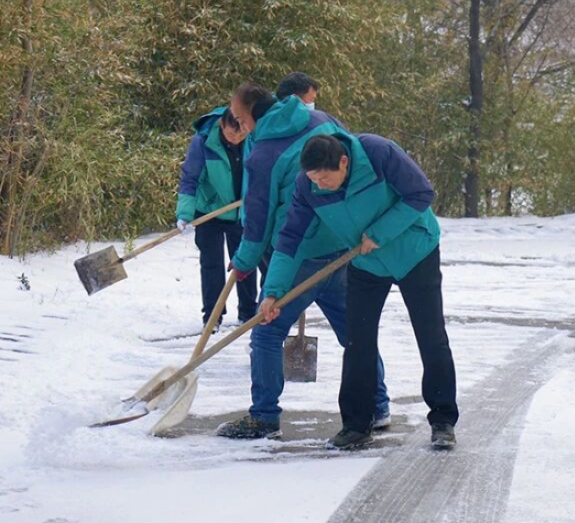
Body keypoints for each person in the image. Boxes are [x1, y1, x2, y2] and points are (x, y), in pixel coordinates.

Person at [262, 133, 458, 451]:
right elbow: (290, 238)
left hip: (415, 251)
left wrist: (379, 232)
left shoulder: (379, 154)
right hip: (366, 263)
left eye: (325, 178)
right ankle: (356, 425)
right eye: (314, 179)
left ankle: (443, 420)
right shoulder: (306, 186)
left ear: (343, 162)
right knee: (357, 342)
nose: (320, 185)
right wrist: (273, 292)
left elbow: (421, 193)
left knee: (430, 336)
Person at [215, 84, 389, 440]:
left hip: (300, 254)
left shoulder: (264, 154)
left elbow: (260, 218)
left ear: (254, 116)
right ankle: (378, 405)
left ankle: (263, 417)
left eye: (240, 118)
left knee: (265, 332)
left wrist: (246, 259)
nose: (239, 125)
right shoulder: (321, 119)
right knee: (356, 334)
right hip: (343, 245)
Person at [176, 107, 258, 326]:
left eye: (242, 134)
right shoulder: (203, 141)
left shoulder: (254, 138)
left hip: (242, 211)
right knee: (211, 264)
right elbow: (190, 178)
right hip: (210, 211)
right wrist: (184, 213)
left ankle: (248, 313)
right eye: (233, 134)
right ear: (222, 125)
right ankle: (212, 317)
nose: (237, 139)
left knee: (245, 263)